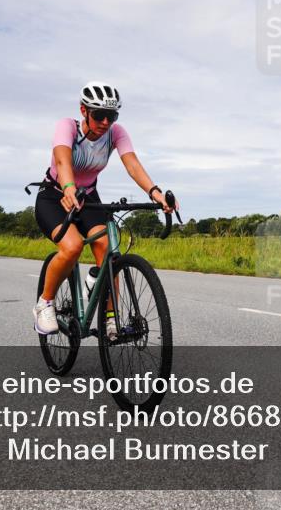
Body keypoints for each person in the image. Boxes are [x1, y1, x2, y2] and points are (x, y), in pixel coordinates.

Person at [32, 81, 177, 338]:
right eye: (99, 115)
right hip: (55, 196)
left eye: (112, 116)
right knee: (73, 247)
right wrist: (67, 187)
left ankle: (111, 320)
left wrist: (155, 193)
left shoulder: (116, 133)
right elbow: (63, 159)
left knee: (108, 253)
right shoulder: (67, 127)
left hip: (87, 197)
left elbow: (132, 165)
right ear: (83, 111)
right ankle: (45, 303)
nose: (106, 122)